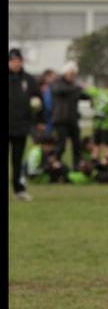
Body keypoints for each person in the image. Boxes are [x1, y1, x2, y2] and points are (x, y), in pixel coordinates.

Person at [9, 48, 43, 201]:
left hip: (20, 127)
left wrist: (39, 119)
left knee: (17, 160)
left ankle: (19, 190)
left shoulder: (28, 80)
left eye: (18, 61)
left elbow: (38, 100)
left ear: (21, 62)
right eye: (12, 61)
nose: (15, 63)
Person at [51, 61, 89, 169]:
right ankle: (55, 165)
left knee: (77, 145)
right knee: (61, 145)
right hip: (60, 120)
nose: (72, 76)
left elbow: (83, 95)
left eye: (74, 74)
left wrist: (92, 94)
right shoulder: (58, 83)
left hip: (72, 120)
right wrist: (79, 88)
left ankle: (76, 167)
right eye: (70, 74)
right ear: (65, 73)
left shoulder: (74, 87)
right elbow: (60, 90)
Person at [87, 79, 108, 167]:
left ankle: (93, 167)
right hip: (106, 125)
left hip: (96, 124)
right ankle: (106, 167)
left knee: (96, 145)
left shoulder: (98, 94)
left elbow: (91, 105)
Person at [39, 69, 56, 134]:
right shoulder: (39, 89)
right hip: (44, 119)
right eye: (53, 77)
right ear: (46, 77)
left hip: (53, 118)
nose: (55, 78)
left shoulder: (53, 87)